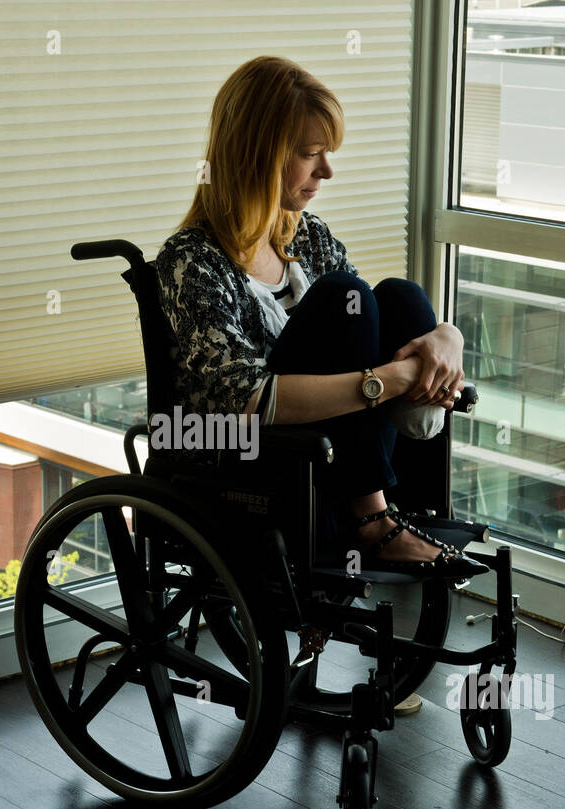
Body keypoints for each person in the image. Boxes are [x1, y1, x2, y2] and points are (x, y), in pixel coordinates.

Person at [155, 56, 486, 582]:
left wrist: (448, 336)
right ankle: (373, 522)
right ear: (257, 155)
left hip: (338, 451)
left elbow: (378, 322)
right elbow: (244, 398)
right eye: (311, 155)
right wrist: (387, 382)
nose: (326, 171)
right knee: (342, 297)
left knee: (397, 295)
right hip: (255, 460)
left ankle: (396, 495)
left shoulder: (308, 237)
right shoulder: (192, 260)